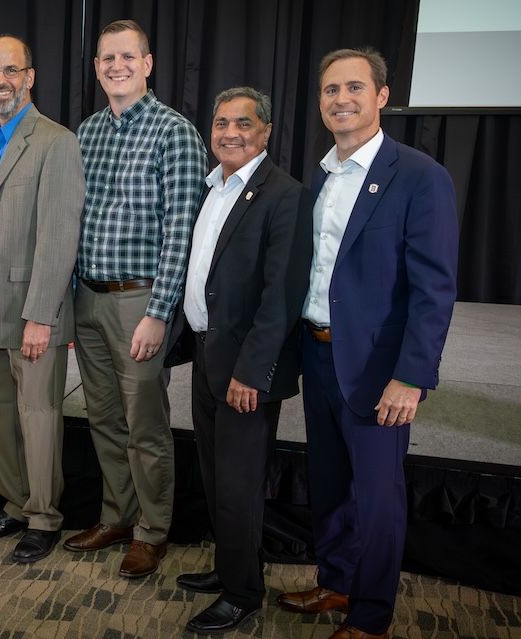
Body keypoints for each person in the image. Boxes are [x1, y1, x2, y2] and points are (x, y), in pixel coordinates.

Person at [276, 48, 458, 639]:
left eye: (354, 87)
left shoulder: (420, 177)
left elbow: (434, 290)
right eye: (330, 90)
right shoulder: (324, 175)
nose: (341, 99)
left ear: (382, 96)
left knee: (378, 501)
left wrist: (412, 376)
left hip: (380, 370)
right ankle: (337, 582)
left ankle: (373, 617)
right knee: (329, 483)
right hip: (319, 352)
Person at [165, 87, 311, 634]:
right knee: (214, 473)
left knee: (239, 483)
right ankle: (232, 569)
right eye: (221, 121)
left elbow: (281, 297)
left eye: (242, 123)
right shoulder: (216, 188)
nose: (229, 132)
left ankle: (243, 594)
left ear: (265, 132)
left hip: (245, 370)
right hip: (207, 357)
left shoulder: (284, 195)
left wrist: (252, 372)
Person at [65, 19, 207, 579]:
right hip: (89, 299)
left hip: (139, 303)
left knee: (144, 424)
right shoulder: (88, 131)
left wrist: (158, 313)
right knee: (102, 417)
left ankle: (152, 530)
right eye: (106, 58)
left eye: (127, 57)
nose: (116, 66)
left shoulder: (175, 132)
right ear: (96, 67)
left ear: (148, 64)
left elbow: (182, 231)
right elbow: (76, 219)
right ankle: (116, 515)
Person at [0, 36, 84, 563]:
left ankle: (44, 516)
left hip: (32, 312)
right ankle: (13, 504)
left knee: (38, 416)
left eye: (11, 70)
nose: (0, 80)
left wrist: (41, 315)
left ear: (30, 77)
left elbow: (59, 236)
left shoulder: (56, 141)